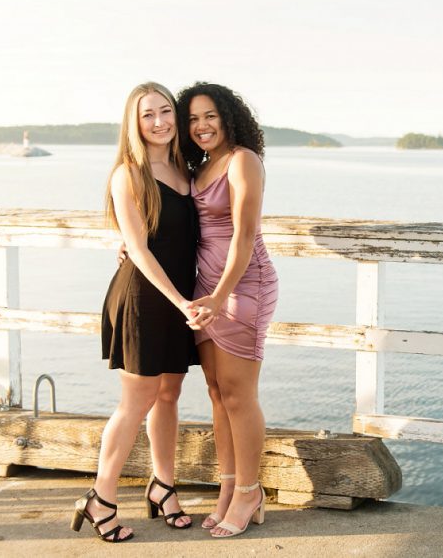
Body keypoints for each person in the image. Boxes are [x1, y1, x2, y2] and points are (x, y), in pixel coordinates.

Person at [71, 82, 200, 542]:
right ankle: (100, 497)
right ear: (134, 122)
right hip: (145, 298)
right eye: (148, 115)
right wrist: (182, 301)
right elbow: (141, 252)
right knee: (136, 402)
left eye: (166, 111)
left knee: (168, 396)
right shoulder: (128, 174)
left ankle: (163, 485)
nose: (160, 121)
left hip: (179, 299)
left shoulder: (189, 169)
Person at [179, 82, 278, 538]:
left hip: (243, 285)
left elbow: (243, 236)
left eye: (210, 116)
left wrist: (220, 296)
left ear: (228, 117)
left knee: (239, 393)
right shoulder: (198, 165)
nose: (202, 126)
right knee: (217, 392)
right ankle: (228, 486)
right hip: (206, 286)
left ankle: (250, 491)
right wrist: (128, 244)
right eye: (194, 118)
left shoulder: (243, 160)